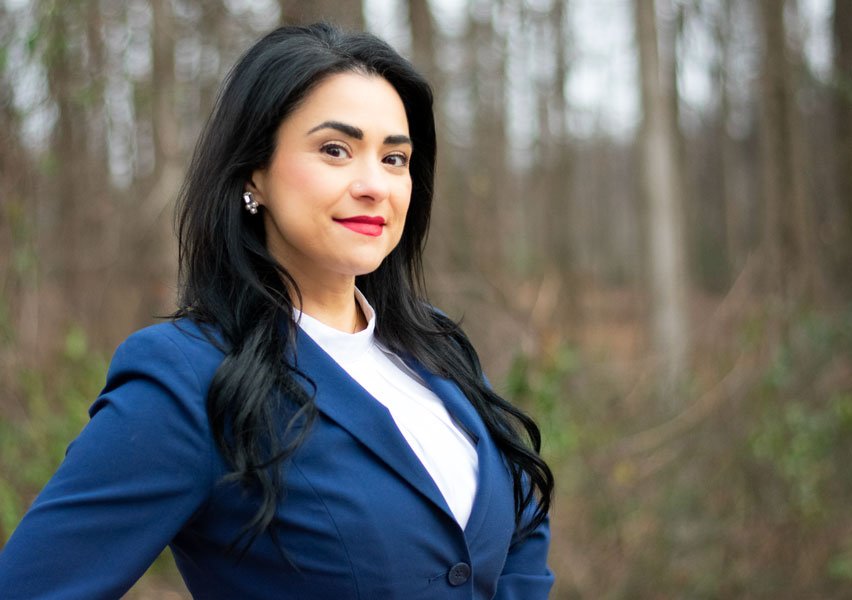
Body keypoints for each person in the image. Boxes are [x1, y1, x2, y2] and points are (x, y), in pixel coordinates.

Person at [0, 23, 554, 599]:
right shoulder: (188, 378)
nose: (374, 185)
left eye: (395, 158)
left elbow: (517, 527)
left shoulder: (434, 344)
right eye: (335, 149)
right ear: (253, 173)